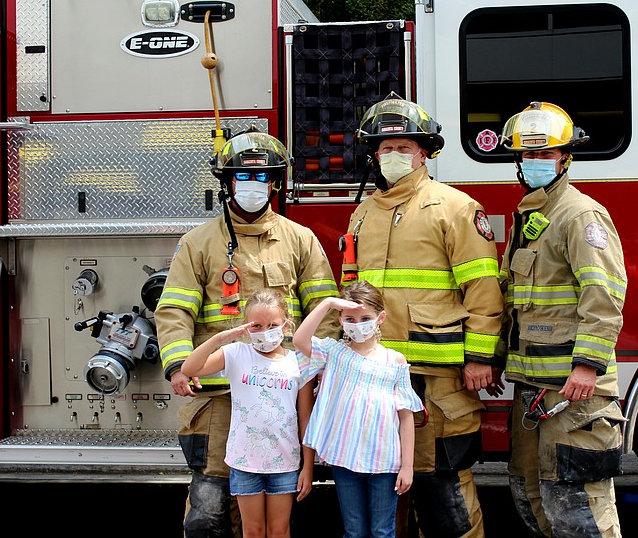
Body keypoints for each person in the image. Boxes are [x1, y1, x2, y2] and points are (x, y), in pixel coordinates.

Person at [154, 131, 340, 538]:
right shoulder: (198, 243)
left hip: (282, 398)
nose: (252, 186)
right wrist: (178, 367)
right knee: (209, 506)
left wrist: (323, 371)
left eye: (261, 177)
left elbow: (323, 310)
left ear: (274, 183)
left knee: (279, 513)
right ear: (227, 182)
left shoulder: (300, 240)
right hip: (217, 398)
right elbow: (174, 311)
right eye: (242, 175)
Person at [342, 93, 506, 537]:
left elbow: (484, 290)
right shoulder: (362, 214)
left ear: (424, 151)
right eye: (385, 148)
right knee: (387, 489)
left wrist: (480, 358)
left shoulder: (456, 208)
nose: (394, 155)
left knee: (445, 493)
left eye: (404, 147)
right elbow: (350, 294)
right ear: (373, 155)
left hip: (438, 381)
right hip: (376, 380)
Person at [497, 101, 628, 538]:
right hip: (536, 390)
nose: (535, 162)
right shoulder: (532, 214)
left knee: (579, 508)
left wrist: (588, 365)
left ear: (565, 158)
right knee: (534, 497)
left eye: (545, 154)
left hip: (575, 395)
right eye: (528, 155)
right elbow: (516, 300)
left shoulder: (579, 215)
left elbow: (603, 293)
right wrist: (496, 357)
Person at [292, 280, 424, 538]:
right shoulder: (333, 353)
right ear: (340, 320)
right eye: (350, 318)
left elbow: (406, 418)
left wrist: (407, 466)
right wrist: (329, 304)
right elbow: (299, 339)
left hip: (385, 463)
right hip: (345, 460)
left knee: (382, 531)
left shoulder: (394, 361)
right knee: (353, 531)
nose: (358, 324)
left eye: (365, 318)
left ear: (380, 318)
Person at [180, 289, 315, 538]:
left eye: (272, 325)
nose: (265, 331)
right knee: (252, 530)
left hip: (284, 462)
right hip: (245, 462)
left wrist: (308, 466)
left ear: (286, 325)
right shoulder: (236, 354)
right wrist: (221, 338)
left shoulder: (299, 363)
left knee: (279, 530)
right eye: (257, 325)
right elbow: (190, 367)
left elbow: (305, 418)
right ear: (246, 327)